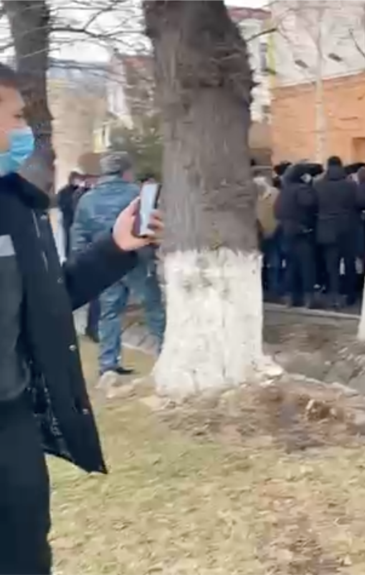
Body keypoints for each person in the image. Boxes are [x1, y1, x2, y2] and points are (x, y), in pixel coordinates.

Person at [0, 61, 165, 572]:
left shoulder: (14, 205)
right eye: (11, 116)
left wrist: (115, 248)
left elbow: (47, 302)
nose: (20, 130)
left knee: (25, 555)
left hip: (9, 424)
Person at [71, 152, 165, 376]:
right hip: (137, 259)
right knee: (153, 309)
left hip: (103, 261)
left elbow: (78, 233)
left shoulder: (87, 198)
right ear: (126, 171)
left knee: (110, 312)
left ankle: (108, 364)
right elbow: (149, 228)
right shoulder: (137, 195)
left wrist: (80, 260)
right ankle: (164, 355)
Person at [314, 156, 363, 309]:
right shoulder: (351, 184)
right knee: (349, 263)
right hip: (348, 227)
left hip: (327, 228)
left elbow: (313, 205)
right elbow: (359, 202)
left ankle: (334, 296)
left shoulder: (318, 185)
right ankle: (350, 295)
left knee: (331, 264)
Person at [275, 162, 319, 307]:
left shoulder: (284, 191)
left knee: (291, 266)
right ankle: (308, 298)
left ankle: (290, 297)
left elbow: (277, 211)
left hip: (286, 232)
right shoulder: (302, 189)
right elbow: (310, 203)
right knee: (307, 266)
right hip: (302, 231)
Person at [256, 172, 283, 302]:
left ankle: (274, 290)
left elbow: (280, 212)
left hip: (274, 232)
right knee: (261, 264)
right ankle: (264, 289)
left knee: (274, 262)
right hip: (258, 234)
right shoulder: (254, 196)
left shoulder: (275, 195)